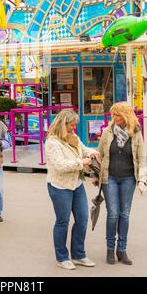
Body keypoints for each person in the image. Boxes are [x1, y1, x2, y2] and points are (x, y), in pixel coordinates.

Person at [45, 109, 99, 270]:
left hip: (76, 184)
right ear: (63, 124)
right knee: (63, 221)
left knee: (82, 219)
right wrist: (82, 162)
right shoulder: (52, 142)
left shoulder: (73, 137)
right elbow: (60, 166)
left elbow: (84, 149)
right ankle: (62, 257)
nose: (74, 128)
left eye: (75, 125)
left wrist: (93, 152)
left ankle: (79, 255)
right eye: (71, 125)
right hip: (59, 186)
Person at [97, 102, 146, 265]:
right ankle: (110, 249)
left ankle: (122, 250)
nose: (114, 118)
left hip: (128, 179)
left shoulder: (136, 133)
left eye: (117, 115)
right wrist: (97, 175)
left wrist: (142, 179)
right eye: (113, 115)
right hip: (109, 178)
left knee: (124, 214)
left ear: (125, 115)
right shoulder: (107, 132)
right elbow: (100, 155)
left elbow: (142, 158)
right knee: (113, 213)